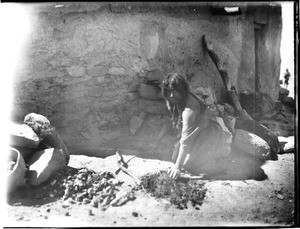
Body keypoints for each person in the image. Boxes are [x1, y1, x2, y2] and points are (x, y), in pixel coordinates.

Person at [152, 73, 232, 179]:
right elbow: (170, 119)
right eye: (169, 91)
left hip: (209, 135)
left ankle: (220, 161)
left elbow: (186, 142)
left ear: (181, 90)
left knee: (188, 165)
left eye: (174, 91)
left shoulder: (189, 110)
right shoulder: (176, 100)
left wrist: (177, 167)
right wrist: (157, 142)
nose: (171, 95)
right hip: (197, 134)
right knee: (175, 155)